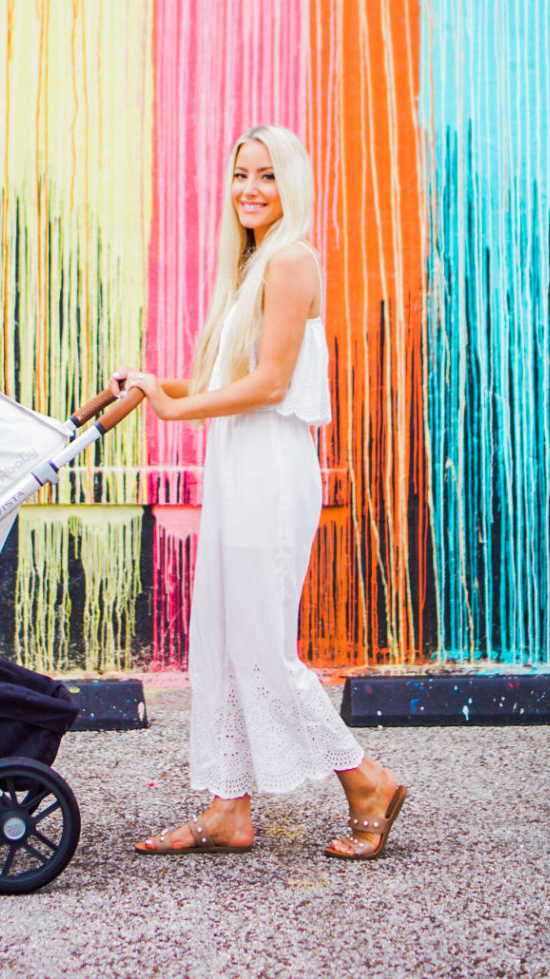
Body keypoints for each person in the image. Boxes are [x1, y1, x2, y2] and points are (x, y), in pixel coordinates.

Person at [113, 124, 405, 860]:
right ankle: (228, 807)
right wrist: (152, 384)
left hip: (270, 473)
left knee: (264, 647)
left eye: (267, 175)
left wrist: (177, 411)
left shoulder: (291, 261)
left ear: (291, 184)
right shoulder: (250, 267)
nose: (250, 188)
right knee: (223, 638)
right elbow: (221, 382)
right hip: (238, 468)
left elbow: (271, 385)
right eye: (242, 174)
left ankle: (367, 780)